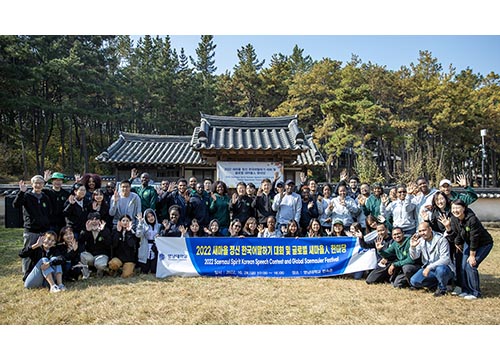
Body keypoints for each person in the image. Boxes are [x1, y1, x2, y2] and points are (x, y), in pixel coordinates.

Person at [442, 199, 494, 300]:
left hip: (483, 244)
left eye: (457, 208)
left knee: (471, 265)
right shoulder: (454, 219)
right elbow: (456, 235)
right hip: (468, 243)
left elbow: (474, 238)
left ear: (464, 208)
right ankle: (465, 290)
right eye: (453, 208)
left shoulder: (472, 219)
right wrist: (448, 229)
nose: (455, 210)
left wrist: (472, 255)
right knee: (463, 266)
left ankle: (475, 292)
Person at [13, 175, 52, 276]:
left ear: (43, 184)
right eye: (36, 183)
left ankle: (40, 273)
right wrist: (21, 192)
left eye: (40, 183)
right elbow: (16, 205)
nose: (38, 185)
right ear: (32, 184)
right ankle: (26, 273)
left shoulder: (45, 197)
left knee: (42, 253)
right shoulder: (26, 196)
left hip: (43, 230)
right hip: (31, 230)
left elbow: (48, 212)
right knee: (28, 252)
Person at [409, 221, 455, 297]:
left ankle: (442, 289)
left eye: (424, 230)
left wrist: (429, 267)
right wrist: (412, 247)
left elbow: (445, 259)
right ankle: (437, 284)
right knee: (414, 281)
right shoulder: (421, 241)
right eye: (420, 231)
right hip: (429, 270)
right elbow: (414, 257)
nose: (422, 233)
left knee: (441, 270)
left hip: (444, 268)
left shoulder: (441, 240)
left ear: (430, 229)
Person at [79, 212, 113, 278]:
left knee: (100, 264)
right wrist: (86, 231)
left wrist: (102, 231)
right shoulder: (86, 230)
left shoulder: (105, 230)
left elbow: (109, 243)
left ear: (100, 221)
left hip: (102, 255)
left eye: (96, 219)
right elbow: (80, 241)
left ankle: (100, 274)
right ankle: (86, 275)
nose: (94, 221)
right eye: (92, 219)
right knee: (82, 255)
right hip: (90, 255)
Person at [136, 208, 162, 274]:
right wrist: (140, 223)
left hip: (155, 248)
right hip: (145, 247)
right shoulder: (143, 226)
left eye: (152, 216)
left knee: (154, 269)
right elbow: (138, 234)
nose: (151, 218)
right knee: (145, 270)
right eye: (148, 217)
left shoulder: (159, 226)